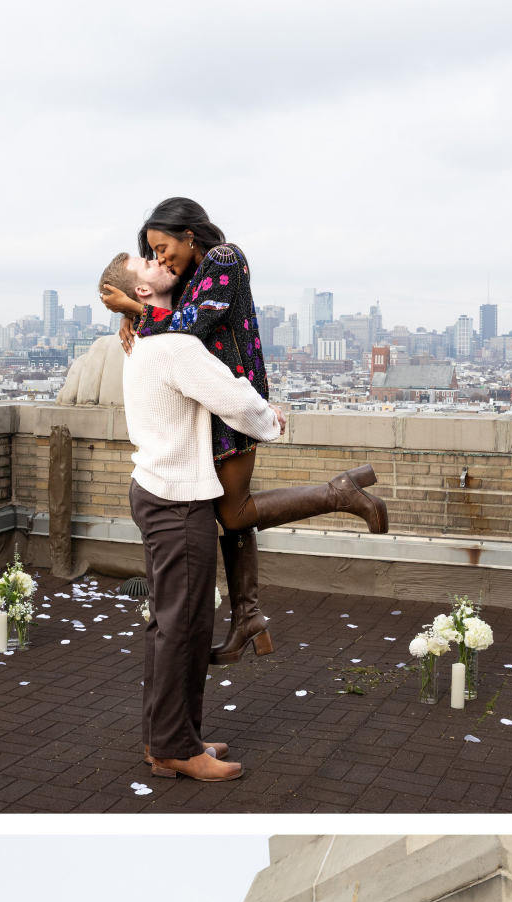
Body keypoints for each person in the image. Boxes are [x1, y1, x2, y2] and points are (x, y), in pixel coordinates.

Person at [101, 198, 388, 666]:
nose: (161, 258)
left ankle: (340, 493)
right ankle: (246, 619)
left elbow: (193, 324)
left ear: (188, 234)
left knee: (234, 514)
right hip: (211, 401)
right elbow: (174, 319)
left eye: (163, 246)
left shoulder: (226, 259)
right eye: (152, 253)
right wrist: (133, 315)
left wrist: (134, 308)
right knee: (229, 515)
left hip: (235, 400)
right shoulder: (193, 275)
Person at [99, 251, 280, 781]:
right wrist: (271, 420)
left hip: (156, 492)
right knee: (185, 626)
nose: (159, 261)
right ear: (145, 293)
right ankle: (177, 746)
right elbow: (235, 400)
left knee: (168, 624)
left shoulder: (144, 340)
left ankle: (170, 740)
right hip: (178, 501)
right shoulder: (175, 345)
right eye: (147, 263)